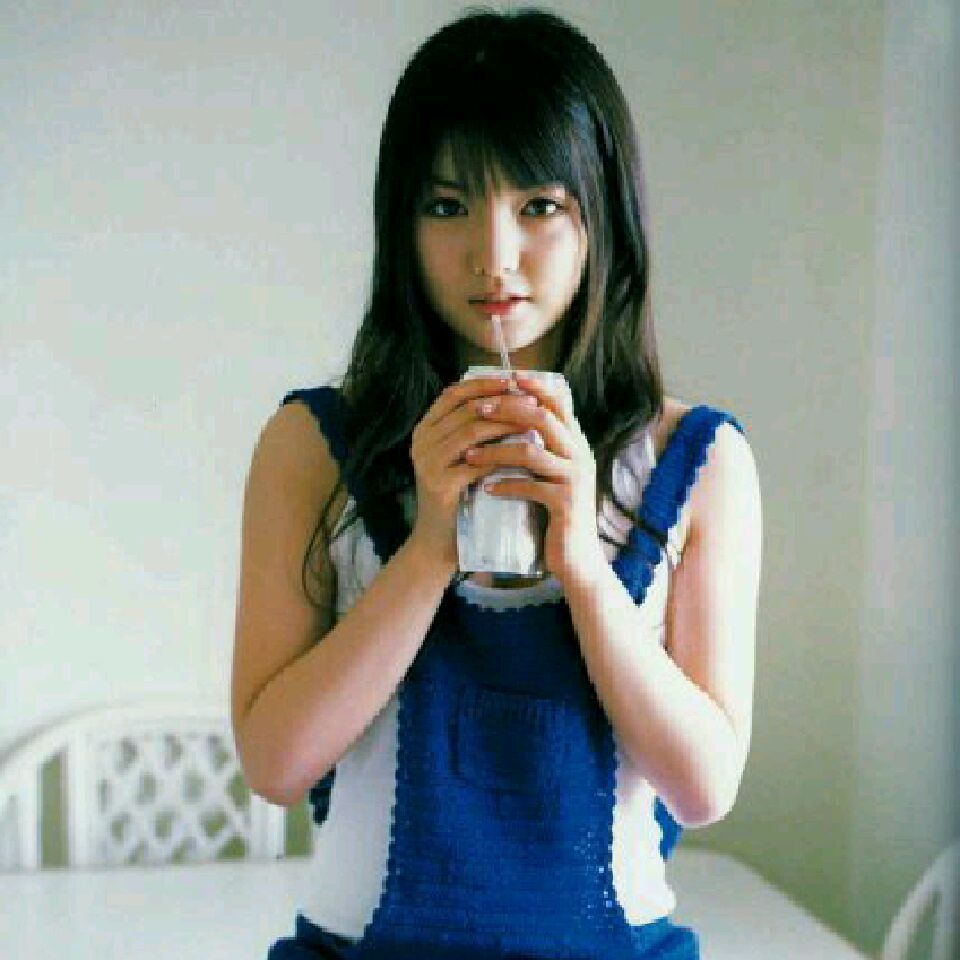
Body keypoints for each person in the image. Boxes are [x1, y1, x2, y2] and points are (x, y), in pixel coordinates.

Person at [231, 8, 762, 959]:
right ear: (400, 224)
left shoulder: (698, 460)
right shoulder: (313, 446)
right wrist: (428, 548)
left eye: (539, 206)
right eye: (447, 206)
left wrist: (585, 568)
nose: (494, 255)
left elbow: (704, 787)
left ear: (602, 215)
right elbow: (274, 764)